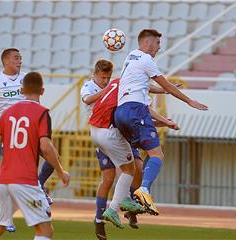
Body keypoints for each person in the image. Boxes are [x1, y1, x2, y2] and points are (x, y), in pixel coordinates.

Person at [114, 29, 208, 216]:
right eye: (157, 43)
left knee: (138, 162)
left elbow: (146, 85)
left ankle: (132, 201)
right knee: (158, 155)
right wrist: (189, 101)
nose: (159, 47)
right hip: (135, 110)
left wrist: (162, 93)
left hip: (120, 112)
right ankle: (144, 190)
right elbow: (167, 84)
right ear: (147, 43)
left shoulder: (131, 57)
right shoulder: (147, 60)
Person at [0, 72, 70, 240]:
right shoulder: (42, 113)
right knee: (45, 231)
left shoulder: (7, 113)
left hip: (4, 181)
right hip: (25, 181)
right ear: (42, 91)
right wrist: (61, 171)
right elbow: (46, 147)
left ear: (22, 89)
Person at [89, 77, 179, 229]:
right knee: (130, 169)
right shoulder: (134, 91)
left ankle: (126, 203)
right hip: (110, 132)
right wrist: (165, 120)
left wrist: (164, 89)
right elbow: (143, 110)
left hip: (95, 130)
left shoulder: (119, 81)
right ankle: (116, 206)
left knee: (128, 167)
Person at [0, 48, 55, 215]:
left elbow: (35, 101)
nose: (20, 61)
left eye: (20, 58)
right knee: (10, 174)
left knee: (52, 158)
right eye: (16, 58)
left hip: (29, 128)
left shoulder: (26, 78)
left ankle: (39, 186)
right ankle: (5, 214)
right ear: (6, 61)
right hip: (8, 131)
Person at [80, 60, 144, 239]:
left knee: (137, 168)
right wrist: (109, 90)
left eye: (108, 78)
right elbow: (87, 99)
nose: (105, 80)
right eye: (102, 77)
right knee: (108, 179)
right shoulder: (88, 87)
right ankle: (99, 220)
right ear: (95, 74)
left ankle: (129, 205)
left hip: (121, 131)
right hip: (104, 132)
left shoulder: (113, 85)